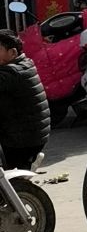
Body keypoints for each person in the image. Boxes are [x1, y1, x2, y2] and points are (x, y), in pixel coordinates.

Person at [0, 28, 50, 171]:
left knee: (13, 179)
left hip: (23, 140)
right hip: (29, 133)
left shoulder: (12, 72)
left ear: (13, 52)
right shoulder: (24, 63)